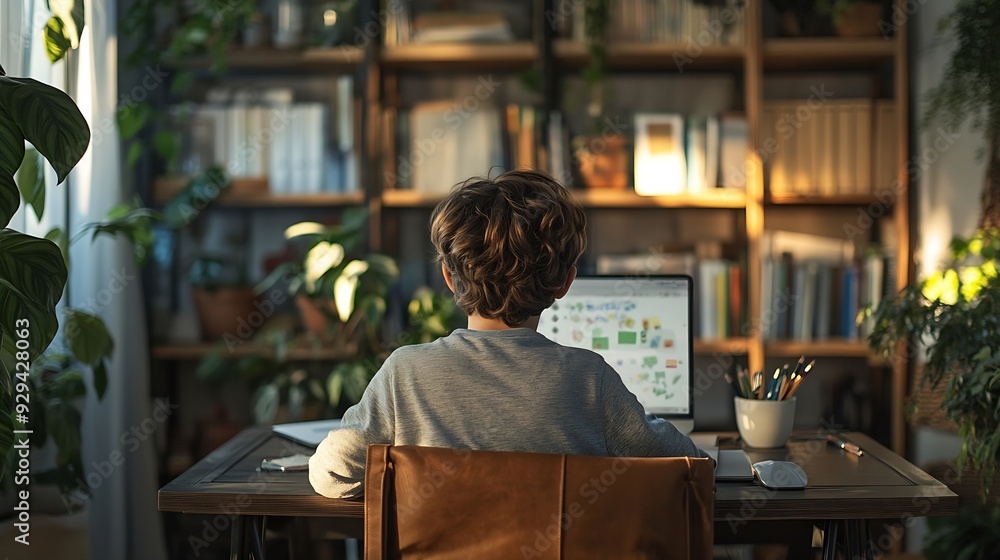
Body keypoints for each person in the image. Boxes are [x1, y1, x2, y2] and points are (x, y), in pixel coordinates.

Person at [309, 170, 707, 499]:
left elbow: (331, 474)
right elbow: (686, 464)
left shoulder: (404, 374)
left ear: (449, 277)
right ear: (565, 282)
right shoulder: (590, 378)